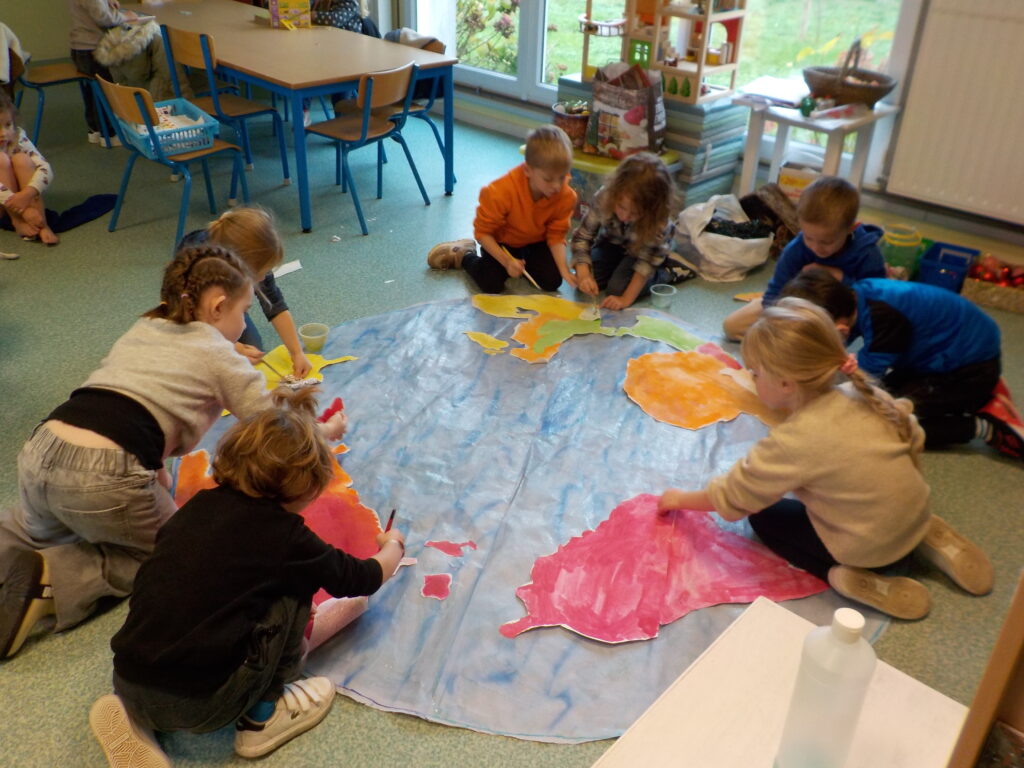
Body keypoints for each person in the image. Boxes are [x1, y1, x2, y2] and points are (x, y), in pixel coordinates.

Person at [0, 245, 344, 658]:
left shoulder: (146, 325)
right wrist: (323, 432)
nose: (243, 325)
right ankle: (49, 579)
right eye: (244, 311)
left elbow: (136, 406)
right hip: (102, 475)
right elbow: (276, 427)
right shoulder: (220, 356)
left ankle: (11, 548)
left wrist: (152, 472)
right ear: (218, 306)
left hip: (43, 446)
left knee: (35, 527)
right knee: (169, 558)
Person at [89, 386, 405, 765]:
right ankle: (262, 719)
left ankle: (136, 719)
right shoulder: (286, 538)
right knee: (293, 590)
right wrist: (392, 548)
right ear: (309, 487)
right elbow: (360, 578)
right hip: (202, 704)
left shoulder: (197, 507)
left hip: (128, 675)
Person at [658, 298, 993, 620]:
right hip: (916, 512)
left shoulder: (794, 441)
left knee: (762, 518)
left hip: (869, 550)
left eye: (755, 373)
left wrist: (678, 499)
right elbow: (914, 437)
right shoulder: (864, 392)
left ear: (786, 383)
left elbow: (736, 496)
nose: (752, 379)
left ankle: (847, 575)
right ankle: (923, 535)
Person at [779, 267, 1021, 460]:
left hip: (970, 371)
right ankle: (977, 397)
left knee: (889, 424)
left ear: (838, 327)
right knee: (887, 398)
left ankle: (982, 427)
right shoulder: (855, 296)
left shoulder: (882, 317)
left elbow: (860, 380)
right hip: (946, 354)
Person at [722, 176, 886, 340]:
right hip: (796, 308)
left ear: (851, 228)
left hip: (842, 315)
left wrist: (841, 277)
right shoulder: (797, 248)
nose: (816, 247)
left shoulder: (867, 253)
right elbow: (775, 292)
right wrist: (779, 322)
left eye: (826, 242)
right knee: (732, 326)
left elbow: (876, 300)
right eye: (808, 237)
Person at [427, 124, 578, 294]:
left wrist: (564, 270)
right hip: (502, 242)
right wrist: (506, 261)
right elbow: (483, 233)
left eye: (562, 177)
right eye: (548, 179)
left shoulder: (566, 195)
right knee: (491, 284)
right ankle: (463, 254)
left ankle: (520, 263)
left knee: (552, 282)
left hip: (535, 240)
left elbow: (556, 235)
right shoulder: (500, 192)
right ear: (528, 170)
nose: (557, 186)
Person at [179, 206, 313, 378]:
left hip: (224, 298)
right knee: (221, 363)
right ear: (238, 268)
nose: (263, 277)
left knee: (251, 347)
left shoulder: (250, 256)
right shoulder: (195, 271)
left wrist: (297, 352)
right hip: (191, 319)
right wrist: (232, 347)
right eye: (260, 273)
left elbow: (274, 304)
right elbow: (192, 325)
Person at [571, 152, 680, 310]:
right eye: (621, 207)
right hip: (613, 243)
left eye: (635, 213)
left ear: (652, 210)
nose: (625, 216)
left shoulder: (658, 221)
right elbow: (582, 237)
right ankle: (618, 267)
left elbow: (645, 263)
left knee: (617, 290)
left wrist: (625, 299)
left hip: (643, 253)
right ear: (614, 192)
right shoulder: (605, 196)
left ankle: (667, 270)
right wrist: (583, 274)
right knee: (589, 276)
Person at [70, 0, 137, 144]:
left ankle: (95, 129)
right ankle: (110, 134)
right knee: (106, 91)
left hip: (80, 47)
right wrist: (125, 16)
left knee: (91, 91)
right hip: (94, 49)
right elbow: (103, 17)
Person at [0, 91, 58, 244]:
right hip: (4, 203)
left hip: (19, 198)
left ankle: (42, 225)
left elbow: (45, 168)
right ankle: (17, 221)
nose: (4, 133)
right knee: (1, 160)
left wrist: (27, 193)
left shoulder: (17, 136)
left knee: (22, 160)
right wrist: (24, 211)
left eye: (8, 125)